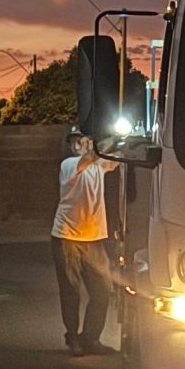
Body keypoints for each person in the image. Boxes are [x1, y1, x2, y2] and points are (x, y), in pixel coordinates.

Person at [52, 128, 120, 356]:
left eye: (81, 140)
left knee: (102, 290)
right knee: (71, 291)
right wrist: (117, 137)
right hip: (66, 237)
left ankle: (91, 338)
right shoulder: (69, 165)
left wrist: (130, 142)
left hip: (92, 239)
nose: (77, 145)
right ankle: (72, 336)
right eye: (74, 141)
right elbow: (90, 159)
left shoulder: (99, 166)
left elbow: (116, 158)